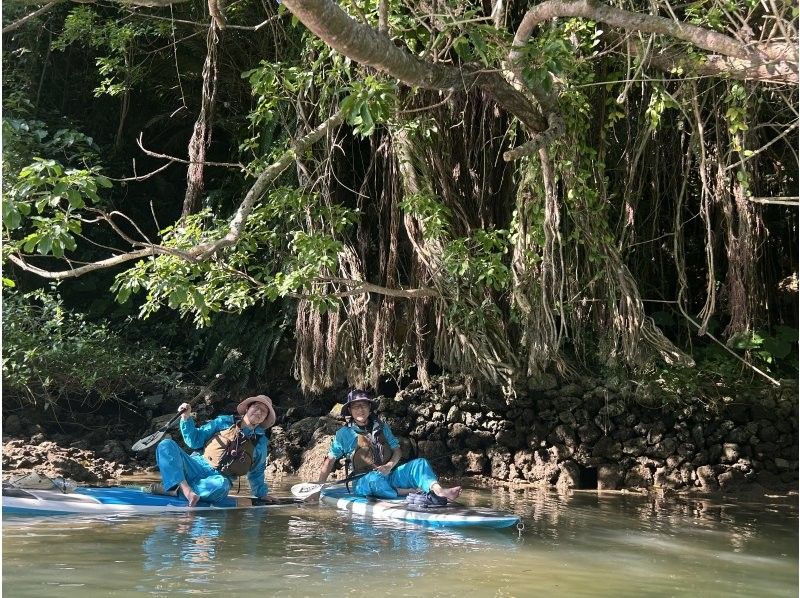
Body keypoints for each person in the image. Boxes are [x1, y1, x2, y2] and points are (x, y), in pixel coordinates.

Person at [316, 389, 461, 502]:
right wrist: (318, 488)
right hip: (363, 481)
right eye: (356, 406)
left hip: (389, 475)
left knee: (420, 464)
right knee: (374, 479)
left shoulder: (382, 427)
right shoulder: (344, 433)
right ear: (350, 410)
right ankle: (406, 491)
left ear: (369, 407)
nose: (360, 410)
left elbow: (397, 451)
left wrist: (389, 466)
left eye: (364, 405)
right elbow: (329, 461)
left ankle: (439, 490)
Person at [154, 394, 277, 507]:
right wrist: (186, 418)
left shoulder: (260, 443)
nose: (259, 411)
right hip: (195, 466)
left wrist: (261, 494)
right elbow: (194, 440)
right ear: (247, 409)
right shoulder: (223, 421)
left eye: (264, 411)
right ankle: (185, 490)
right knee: (166, 445)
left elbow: (257, 471)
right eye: (256, 407)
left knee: (221, 486)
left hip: (217, 479)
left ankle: (176, 489)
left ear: (264, 419)